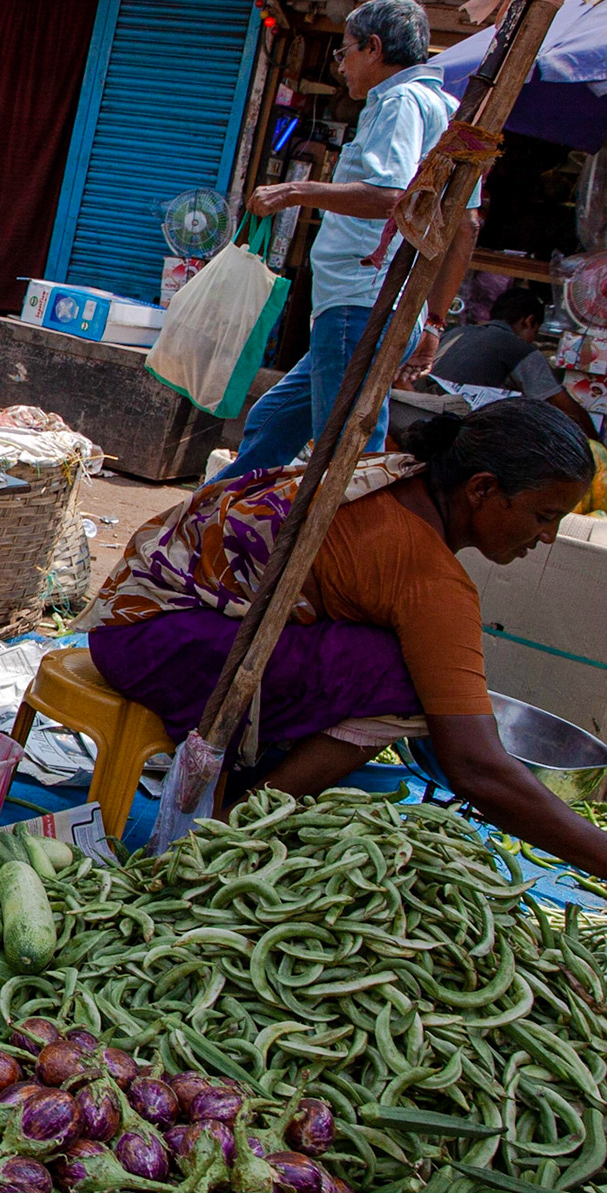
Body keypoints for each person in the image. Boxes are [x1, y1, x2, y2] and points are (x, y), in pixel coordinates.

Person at [84, 398, 607, 875]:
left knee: (375, 658)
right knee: (401, 677)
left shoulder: (397, 475)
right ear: (482, 488)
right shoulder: (430, 580)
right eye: (544, 516)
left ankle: (242, 797)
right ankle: (233, 828)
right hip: (155, 640)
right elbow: (475, 766)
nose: (547, 538)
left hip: (134, 608)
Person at [217, 0, 475, 481]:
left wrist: (294, 190)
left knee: (346, 454)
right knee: (273, 422)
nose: (341, 65)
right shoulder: (446, 109)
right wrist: (433, 323)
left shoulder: (399, 104)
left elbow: (388, 195)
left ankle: (338, 548)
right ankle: (211, 522)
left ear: (374, 49)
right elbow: (467, 226)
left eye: (345, 52)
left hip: (359, 306)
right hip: (376, 309)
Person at [426, 289, 591, 433]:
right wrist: (594, 439)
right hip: (460, 428)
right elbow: (562, 404)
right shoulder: (520, 349)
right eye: (535, 330)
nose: (533, 339)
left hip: (425, 413)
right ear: (528, 321)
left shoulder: (457, 333)